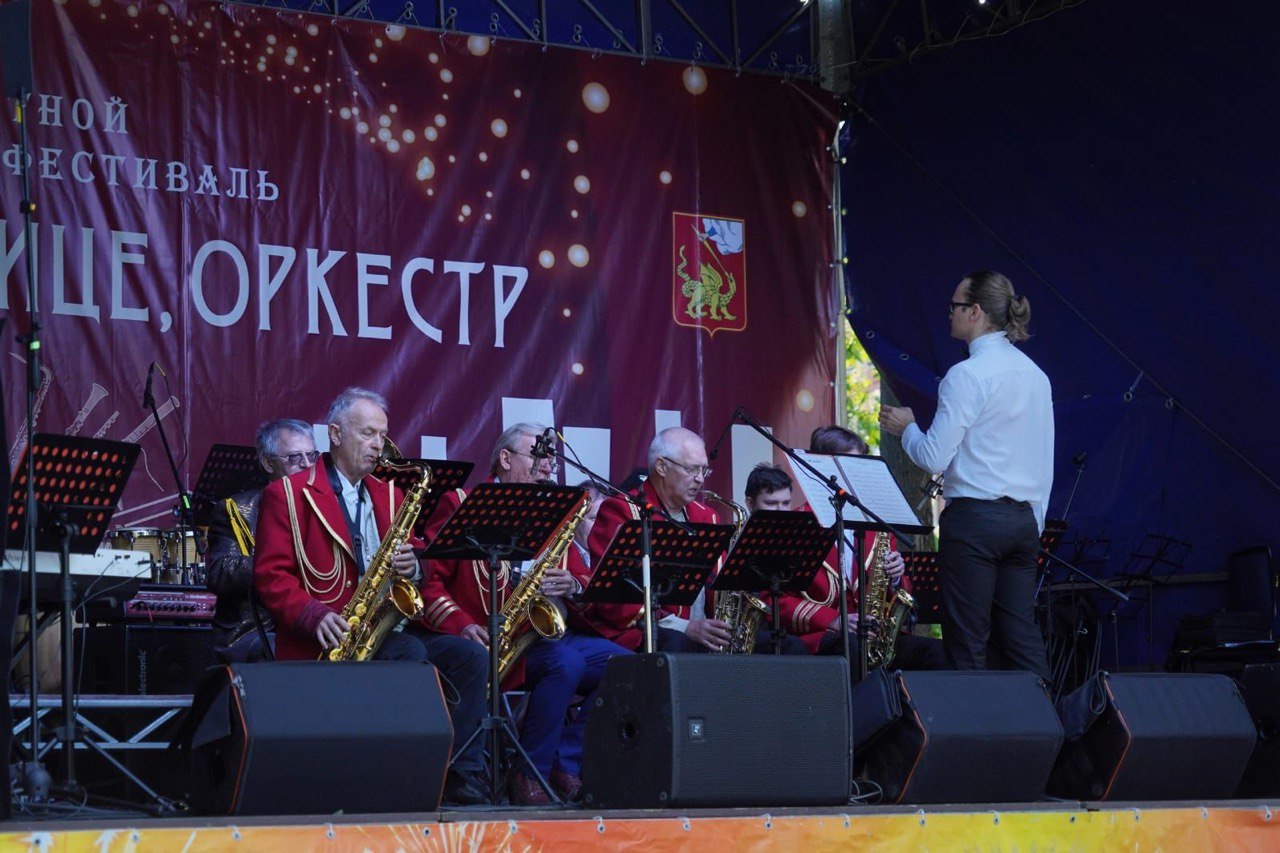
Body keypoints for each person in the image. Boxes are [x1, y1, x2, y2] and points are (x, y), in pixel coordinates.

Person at [253, 388, 489, 805]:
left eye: (382, 435)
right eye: (367, 433)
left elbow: (420, 562)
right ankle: (400, 775)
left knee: (470, 658)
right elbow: (271, 577)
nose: (378, 445)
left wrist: (414, 567)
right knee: (410, 653)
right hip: (328, 638)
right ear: (335, 434)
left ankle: (459, 775)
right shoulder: (286, 494)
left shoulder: (392, 494)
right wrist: (313, 616)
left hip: (386, 627)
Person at [420, 423, 629, 805]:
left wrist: (574, 584)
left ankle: (563, 761)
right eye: (538, 455)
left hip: (533, 637)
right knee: (564, 663)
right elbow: (430, 582)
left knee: (627, 666)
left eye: (551, 459)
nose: (548, 465)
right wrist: (462, 625)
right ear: (505, 458)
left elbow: (583, 576)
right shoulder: (461, 502)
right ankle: (530, 775)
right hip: (483, 641)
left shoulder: (554, 513)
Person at [880, 270, 1052, 680]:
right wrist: (1035, 522)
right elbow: (1043, 460)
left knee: (968, 641)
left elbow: (934, 457)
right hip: (1024, 520)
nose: (950, 314)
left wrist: (907, 429)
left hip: (975, 520)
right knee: (1021, 635)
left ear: (975, 312)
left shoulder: (966, 375)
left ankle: (974, 719)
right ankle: (1044, 713)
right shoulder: (1036, 375)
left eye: (955, 306)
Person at [779, 428, 945, 671]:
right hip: (821, 636)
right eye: (849, 464)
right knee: (854, 651)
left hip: (875, 639)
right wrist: (833, 620)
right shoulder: (795, 527)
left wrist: (896, 576)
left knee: (938, 653)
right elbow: (777, 600)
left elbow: (897, 595)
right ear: (822, 467)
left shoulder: (876, 525)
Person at [586, 427, 731, 653]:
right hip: (645, 633)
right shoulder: (622, 511)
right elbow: (614, 604)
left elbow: (720, 587)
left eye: (704, 470)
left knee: (778, 644)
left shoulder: (707, 516)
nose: (700, 479)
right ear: (661, 466)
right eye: (691, 469)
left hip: (702, 633)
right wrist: (685, 627)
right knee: (679, 644)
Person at [204, 418, 316, 663]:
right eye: (295, 457)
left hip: (313, 621)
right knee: (286, 651)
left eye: (312, 455)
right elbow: (219, 573)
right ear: (267, 463)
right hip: (257, 630)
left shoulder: (328, 506)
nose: (307, 465)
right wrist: (278, 562)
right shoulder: (235, 509)